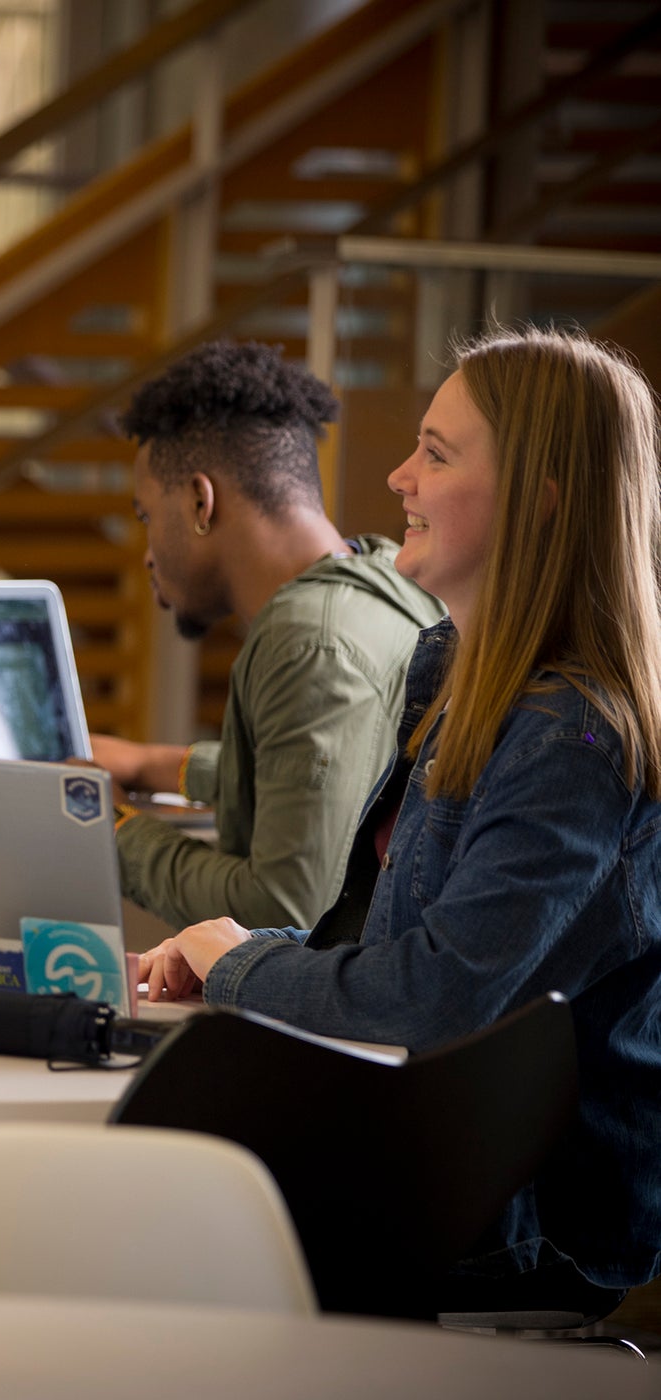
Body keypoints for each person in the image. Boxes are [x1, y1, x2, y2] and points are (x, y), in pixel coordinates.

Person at [140, 327, 661, 1314]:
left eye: (436, 451)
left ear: (539, 498)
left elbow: (432, 999)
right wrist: (245, 947)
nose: (396, 476)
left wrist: (241, 962)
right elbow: (408, 955)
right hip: (432, 1162)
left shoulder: (575, 739)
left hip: (517, 1225)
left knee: (115, 1219)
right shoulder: (453, 675)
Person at [88, 341, 442, 931]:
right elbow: (334, 774)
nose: (148, 554)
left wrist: (105, 825)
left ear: (202, 501)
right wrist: (153, 764)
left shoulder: (309, 644)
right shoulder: (385, 578)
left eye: (148, 516)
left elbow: (284, 913)